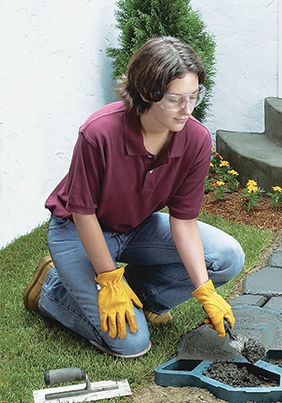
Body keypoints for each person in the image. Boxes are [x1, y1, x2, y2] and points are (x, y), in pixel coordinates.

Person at [23, 36, 244, 358]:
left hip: (137, 227)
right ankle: (52, 291)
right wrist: (109, 279)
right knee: (131, 345)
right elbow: (82, 213)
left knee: (227, 257)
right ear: (146, 93)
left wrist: (204, 289)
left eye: (194, 96)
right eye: (175, 99)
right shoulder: (99, 132)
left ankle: (141, 299)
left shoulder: (196, 139)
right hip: (79, 232)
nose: (187, 109)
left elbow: (184, 222)